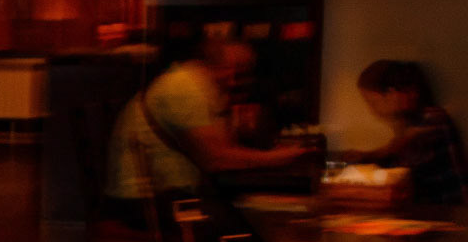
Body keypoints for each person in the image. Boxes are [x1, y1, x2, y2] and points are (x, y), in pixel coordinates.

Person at [104, 33, 312, 214]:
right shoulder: (184, 88)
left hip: (167, 194)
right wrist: (278, 158)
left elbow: (225, 145)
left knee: (254, 207)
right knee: (246, 218)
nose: (239, 81)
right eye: (241, 72)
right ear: (225, 67)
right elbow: (216, 159)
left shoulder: (201, 85)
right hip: (145, 201)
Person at [343, 59, 468, 205]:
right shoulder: (410, 125)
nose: (372, 110)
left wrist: (368, 157)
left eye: (373, 102)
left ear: (392, 93)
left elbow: (403, 169)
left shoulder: (433, 118)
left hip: (451, 210)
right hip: (432, 209)